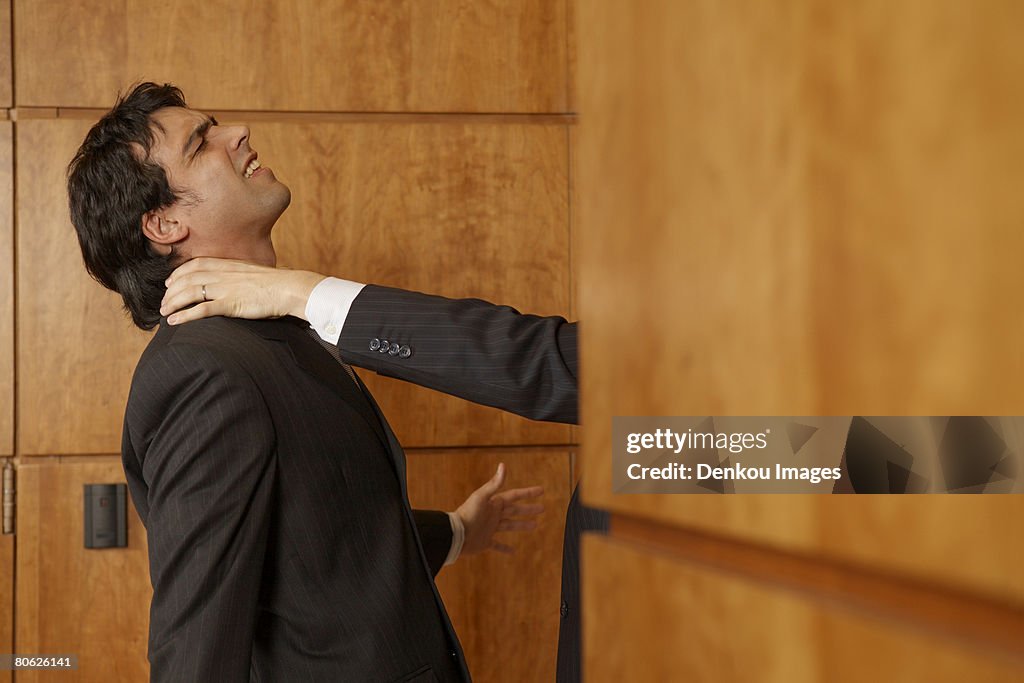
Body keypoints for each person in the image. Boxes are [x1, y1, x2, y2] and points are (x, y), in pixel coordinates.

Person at [66, 82, 544, 682]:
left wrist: (456, 531)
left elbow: (323, 542)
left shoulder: (280, 332)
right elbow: (196, 638)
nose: (236, 132)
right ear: (164, 223)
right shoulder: (201, 371)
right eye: (201, 141)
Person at [161, 259, 610, 683]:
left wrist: (306, 293)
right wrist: (455, 532)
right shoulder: (201, 367)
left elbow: (554, 363)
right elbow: (206, 606)